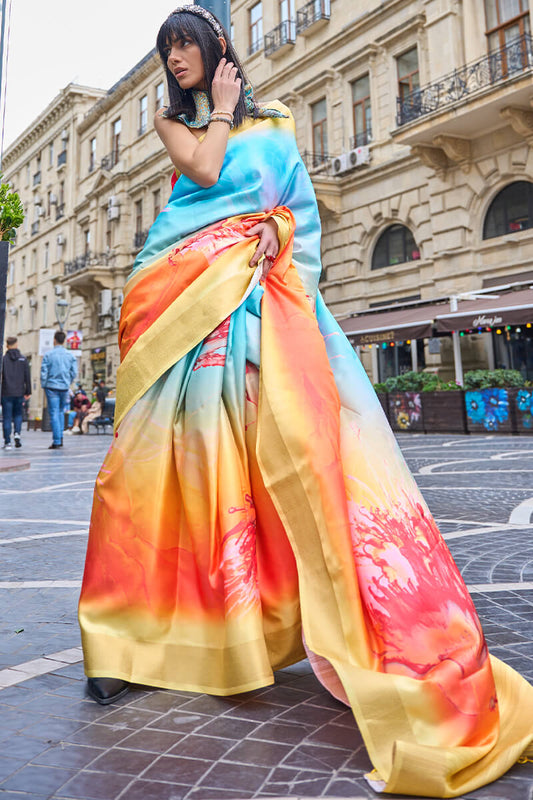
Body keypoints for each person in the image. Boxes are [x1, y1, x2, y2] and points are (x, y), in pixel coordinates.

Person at [78, 6, 533, 796]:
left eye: (187, 41)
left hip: (262, 320)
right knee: (159, 479)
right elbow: (209, 171)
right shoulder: (167, 119)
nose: (176, 56)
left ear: (218, 46)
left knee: (282, 478)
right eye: (166, 48)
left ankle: (286, 628)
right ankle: (133, 641)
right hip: (189, 324)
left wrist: (279, 231)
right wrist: (217, 110)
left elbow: (301, 218)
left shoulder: (280, 123)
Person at [40, 330, 77, 449]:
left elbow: (43, 372)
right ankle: (60, 436)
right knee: (61, 411)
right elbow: (74, 372)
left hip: (51, 386)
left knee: (54, 412)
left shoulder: (48, 355)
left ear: (54, 340)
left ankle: (56, 440)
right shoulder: (70, 355)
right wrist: (68, 382)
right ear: (64, 341)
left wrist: (44, 384)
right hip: (64, 387)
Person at [1, 336, 31, 450]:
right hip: (19, 392)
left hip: (6, 393)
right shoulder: (23, 360)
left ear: (7, 345)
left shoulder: (3, 360)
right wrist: (28, 391)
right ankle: (17, 434)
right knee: (18, 414)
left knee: (7, 417)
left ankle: (7, 441)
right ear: (17, 344)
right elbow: (27, 377)